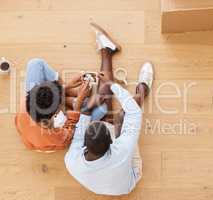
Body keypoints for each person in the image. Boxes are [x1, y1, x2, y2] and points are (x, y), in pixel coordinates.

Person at [65, 23, 154, 195]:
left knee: (103, 107)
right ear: (113, 143)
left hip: (104, 180)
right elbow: (134, 113)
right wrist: (112, 86)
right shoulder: (123, 149)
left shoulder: (72, 160)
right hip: (128, 181)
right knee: (122, 115)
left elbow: (81, 125)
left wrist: (82, 101)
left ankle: (107, 51)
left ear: (84, 145)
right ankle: (143, 89)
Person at [15, 58, 107, 152]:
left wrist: (68, 85)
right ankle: (74, 99)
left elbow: (46, 95)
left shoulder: (27, 101)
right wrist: (79, 103)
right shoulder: (56, 135)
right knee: (103, 109)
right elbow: (70, 130)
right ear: (57, 112)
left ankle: (72, 96)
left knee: (35, 63)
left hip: (38, 122)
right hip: (47, 142)